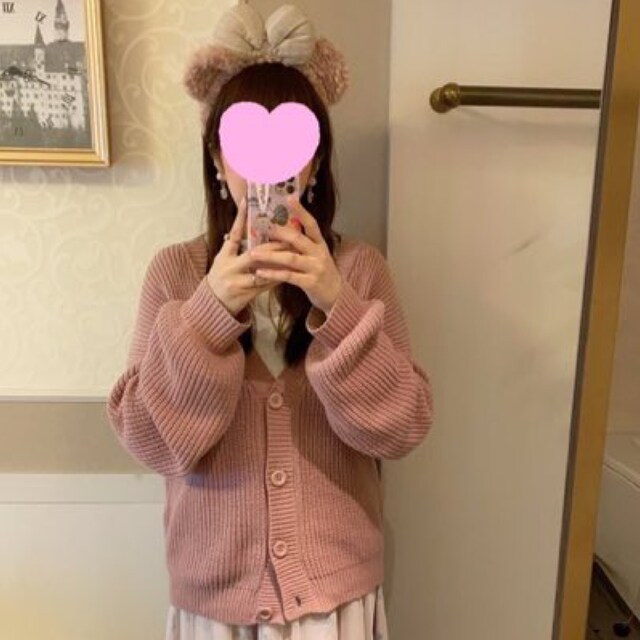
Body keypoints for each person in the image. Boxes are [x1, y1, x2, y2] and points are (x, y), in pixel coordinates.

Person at [105, 2, 434, 639]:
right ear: (216, 159)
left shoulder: (360, 271)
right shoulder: (174, 275)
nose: (268, 166)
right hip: (214, 604)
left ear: (314, 165)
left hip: (335, 602)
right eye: (245, 146)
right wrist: (207, 314)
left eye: (291, 147)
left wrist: (336, 305)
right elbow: (150, 441)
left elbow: (402, 428)